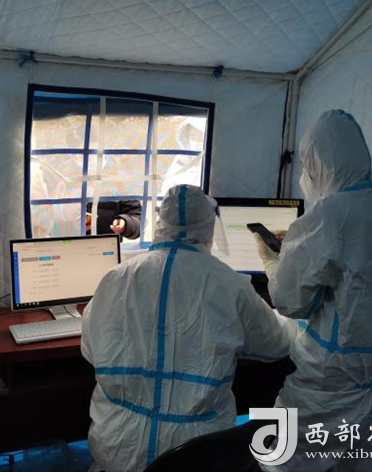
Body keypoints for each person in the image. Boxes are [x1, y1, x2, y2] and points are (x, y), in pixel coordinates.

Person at [81, 184, 297, 472]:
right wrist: (294, 315)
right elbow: (276, 344)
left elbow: (90, 350)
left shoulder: (115, 278)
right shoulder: (228, 283)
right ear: (209, 227)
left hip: (117, 451)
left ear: (160, 225)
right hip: (195, 455)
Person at [255, 110, 372, 471]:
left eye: (307, 165)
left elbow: (290, 301)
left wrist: (272, 262)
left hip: (331, 393)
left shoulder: (326, 216)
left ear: (320, 162)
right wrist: (297, 249)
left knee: (281, 462)